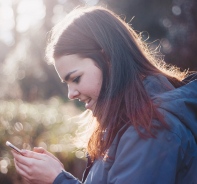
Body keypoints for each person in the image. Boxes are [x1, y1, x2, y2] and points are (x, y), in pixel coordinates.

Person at [11, 6, 197, 184]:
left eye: (76, 78)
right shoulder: (130, 121)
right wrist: (57, 175)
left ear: (107, 58)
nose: (71, 94)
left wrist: (58, 179)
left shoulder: (151, 127)